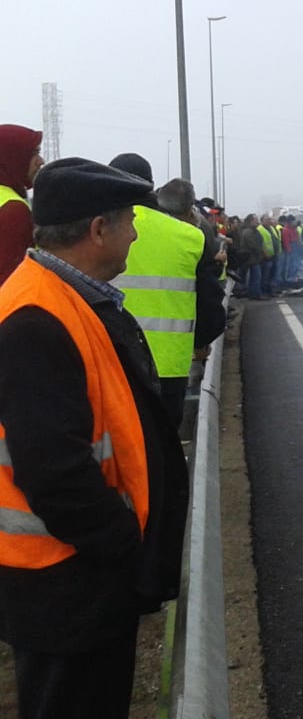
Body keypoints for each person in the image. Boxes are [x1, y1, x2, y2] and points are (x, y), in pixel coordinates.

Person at [0, 157, 189, 718]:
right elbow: (55, 472)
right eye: (129, 220)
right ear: (98, 229)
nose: (136, 234)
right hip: (67, 582)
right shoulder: (36, 319)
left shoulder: (67, 299)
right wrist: (123, 544)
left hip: (74, 573)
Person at [107, 155, 218, 429]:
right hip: (170, 365)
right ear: (150, 185)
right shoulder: (189, 236)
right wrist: (201, 341)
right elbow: (209, 302)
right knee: (165, 442)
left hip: (111, 361)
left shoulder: (97, 232)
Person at [0, 125, 44, 286]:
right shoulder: (13, 210)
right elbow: (12, 283)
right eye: (34, 153)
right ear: (12, 156)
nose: (41, 161)